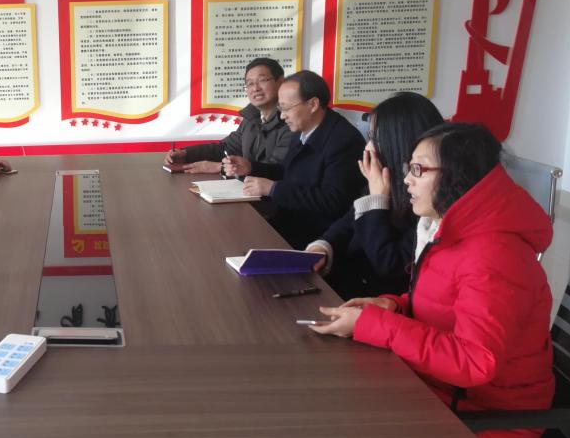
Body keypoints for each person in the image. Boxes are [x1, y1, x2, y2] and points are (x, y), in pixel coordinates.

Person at [312, 122, 554, 438]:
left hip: (486, 428)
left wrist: (375, 325)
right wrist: (393, 305)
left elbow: (474, 361)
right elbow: (443, 308)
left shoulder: (493, 254)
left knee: (334, 434)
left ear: (457, 176)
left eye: (418, 169)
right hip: (439, 396)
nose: (406, 180)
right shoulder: (449, 231)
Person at [306, 92, 444, 299]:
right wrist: (323, 246)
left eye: (376, 139)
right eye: (370, 137)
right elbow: (349, 222)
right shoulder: (390, 176)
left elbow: (389, 265)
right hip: (350, 289)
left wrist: (377, 201)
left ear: (401, 142)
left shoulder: (428, 195)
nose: (369, 147)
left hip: (381, 300)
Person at [226, 70, 366, 249]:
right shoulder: (302, 129)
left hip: (319, 238)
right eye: (280, 108)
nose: (282, 116)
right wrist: (251, 167)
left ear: (313, 104)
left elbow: (333, 200)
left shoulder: (343, 141)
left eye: (286, 109)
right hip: (291, 222)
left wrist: (274, 189)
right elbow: (286, 171)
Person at [164, 57, 292, 174]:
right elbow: (225, 148)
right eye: (250, 83)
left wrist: (219, 167)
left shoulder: (291, 121)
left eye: (262, 80)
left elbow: (277, 169)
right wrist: (186, 154)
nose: (255, 88)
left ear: (280, 82)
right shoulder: (252, 119)